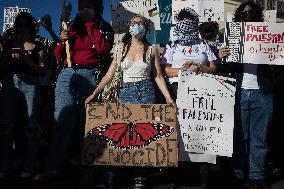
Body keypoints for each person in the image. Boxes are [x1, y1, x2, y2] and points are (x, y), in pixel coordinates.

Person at [85, 14, 175, 188]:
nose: (138, 26)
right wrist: (95, 93)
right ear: (129, 26)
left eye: (141, 23)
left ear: (146, 28)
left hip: (146, 92)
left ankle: (139, 177)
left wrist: (168, 97)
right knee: (119, 134)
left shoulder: (152, 48)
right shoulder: (121, 48)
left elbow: (157, 75)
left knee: (142, 136)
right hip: (125, 92)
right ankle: (110, 176)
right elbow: (109, 75)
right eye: (135, 23)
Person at [34, 0, 114, 181]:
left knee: (87, 123)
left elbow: (103, 48)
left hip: (89, 74)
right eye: (82, 7)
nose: (84, 10)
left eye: (88, 7)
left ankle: (88, 169)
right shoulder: (70, 26)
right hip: (67, 72)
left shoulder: (102, 26)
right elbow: (58, 55)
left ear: (95, 10)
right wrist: (63, 41)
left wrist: (89, 24)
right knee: (61, 119)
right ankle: (53, 167)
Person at [230, 2, 273, 189]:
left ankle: (257, 175)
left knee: (259, 137)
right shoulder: (232, 37)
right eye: (243, 13)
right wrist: (223, 56)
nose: (246, 16)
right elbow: (223, 68)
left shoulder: (267, 37)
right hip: (239, 91)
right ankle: (239, 173)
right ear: (238, 16)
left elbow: (278, 66)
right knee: (240, 136)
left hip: (262, 93)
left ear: (257, 15)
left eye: (250, 13)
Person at [3, 12, 48, 179]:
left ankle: (29, 166)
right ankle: (4, 165)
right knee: (6, 125)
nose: (22, 28)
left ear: (31, 27)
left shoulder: (38, 46)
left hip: (31, 84)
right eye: (18, 24)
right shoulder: (8, 44)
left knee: (32, 126)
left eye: (25, 25)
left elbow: (43, 71)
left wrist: (26, 60)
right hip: (10, 83)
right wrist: (10, 60)